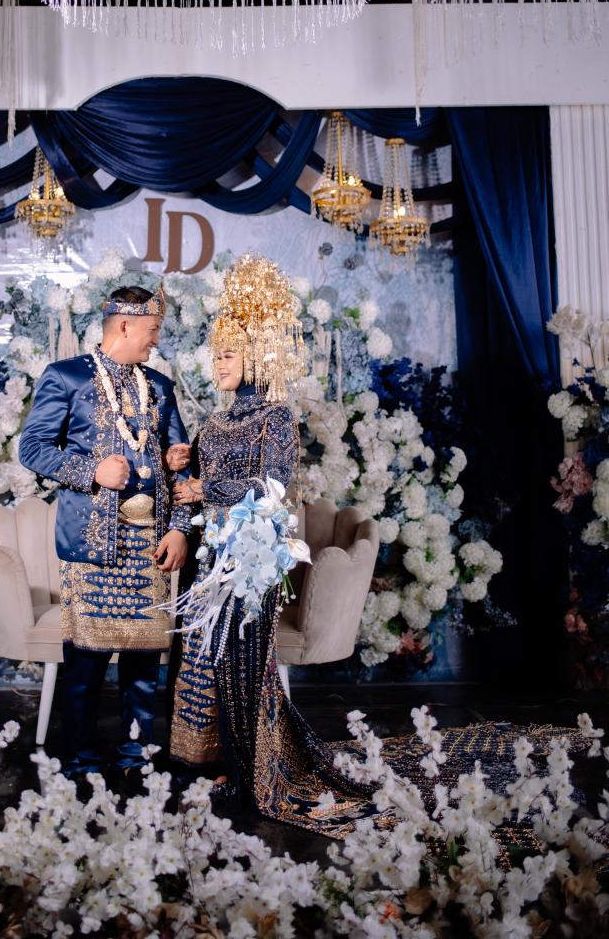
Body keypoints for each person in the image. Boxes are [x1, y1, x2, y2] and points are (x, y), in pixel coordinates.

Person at [168, 256, 587, 837]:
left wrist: (206, 488)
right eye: (216, 355)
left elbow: (272, 488)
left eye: (229, 355)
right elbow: (190, 491)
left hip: (252, 562)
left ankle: (254, 772)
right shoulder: (212, 426)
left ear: (257, 357)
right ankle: (217, 765)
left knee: (243, 665)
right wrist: (182, 479)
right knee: (205, 663)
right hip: (210, 561)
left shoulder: (276, 417)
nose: (218, 364)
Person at [19, 283, 193, 777]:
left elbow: (182, 467)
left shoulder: (159, 386)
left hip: (151, 543)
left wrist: (180, 529)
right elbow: (32, 448)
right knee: (86, 664)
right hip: (93, 543)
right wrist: (91, 470)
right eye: (152, 330)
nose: (156, 340)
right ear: (125, 325)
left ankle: (138, 757)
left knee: (144, 665)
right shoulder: (67, 377)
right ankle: (79, 759)